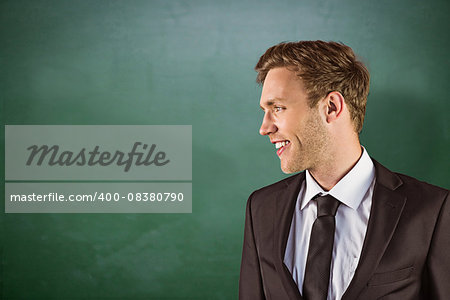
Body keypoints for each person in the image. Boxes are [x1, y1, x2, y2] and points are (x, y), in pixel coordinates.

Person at [239, 40, 449, 300]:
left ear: (332, 107)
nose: (265, 127)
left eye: (278, 108)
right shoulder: (261, 208)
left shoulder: (433, 210)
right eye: (265, 111)